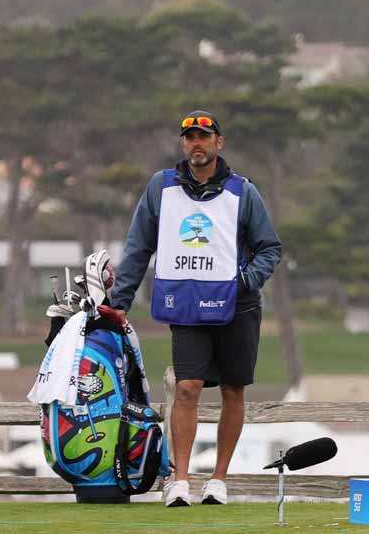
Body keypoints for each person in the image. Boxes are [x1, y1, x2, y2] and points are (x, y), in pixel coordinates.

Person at [106, 110, 283, 507]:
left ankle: (219, 480)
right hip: (186, 304)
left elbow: (269, 248)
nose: (196, 144)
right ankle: (180, 480)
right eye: (189, 138)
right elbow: (138, 247)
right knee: (187, 387)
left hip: (237, 307)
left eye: (204, 136)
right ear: (183, 145)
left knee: (234, 390)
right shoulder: (160, 188)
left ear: (219, 143)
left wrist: (241, 284)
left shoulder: (244, 192)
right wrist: (120, 302)